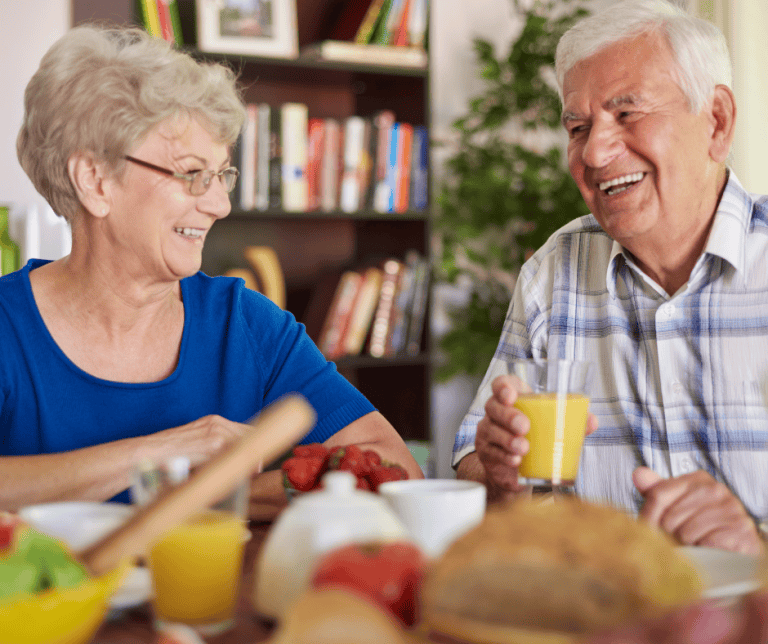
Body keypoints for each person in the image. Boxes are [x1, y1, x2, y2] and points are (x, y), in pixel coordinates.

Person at [1, 24, 422, 515]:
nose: (220, 204)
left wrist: (214, 493)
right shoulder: (7, 327)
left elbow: (395, 468)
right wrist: (161, 454)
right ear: (95, 180)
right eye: (192, 174)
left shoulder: (245, 324)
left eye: (221, 174)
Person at [454, 0, 767, 555]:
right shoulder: (555, 272)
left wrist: (757, 549)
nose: (595, 152)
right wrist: (500, 474)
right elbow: (480, 477)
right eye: (577, 127)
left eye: (628, 114)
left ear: (716, 121)